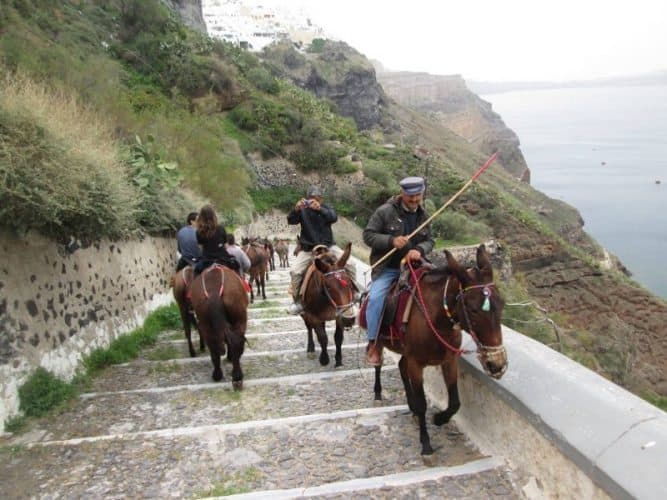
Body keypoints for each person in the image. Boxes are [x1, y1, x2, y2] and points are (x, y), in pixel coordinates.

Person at [362, 176, 434, 365]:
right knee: (376, 298)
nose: (414, 200)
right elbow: (368, 236)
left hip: (416, 267)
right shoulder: (384, 212)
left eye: (418, 195)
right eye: (410, 196)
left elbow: (430, 241)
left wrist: (419, 250)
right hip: (389, 268)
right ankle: (374, 343)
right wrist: (391, 241)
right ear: (402, 193)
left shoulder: (424, 216)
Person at [286, 185, 358, 314]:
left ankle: (354, 291)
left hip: (329, 246)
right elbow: (291, 221)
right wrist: (296, 210)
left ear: (321, 199)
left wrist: (320, 209)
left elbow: (333, 217)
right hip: (308, 249)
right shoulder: (302, 210)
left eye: (317, 198)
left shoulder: (327, 208)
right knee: (295, 271)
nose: (313, 200)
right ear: (306, 198)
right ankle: (297, 302)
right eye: (311, 198)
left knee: (351, 263)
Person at [193, 205, 237, 276]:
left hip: (207, 261)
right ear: (213, 215)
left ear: (201, 217)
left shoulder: (199, 232)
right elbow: (226, 247)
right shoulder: (221, 228)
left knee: (195, 273)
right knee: (237, 267)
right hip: (223, 259)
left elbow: (201, 249)